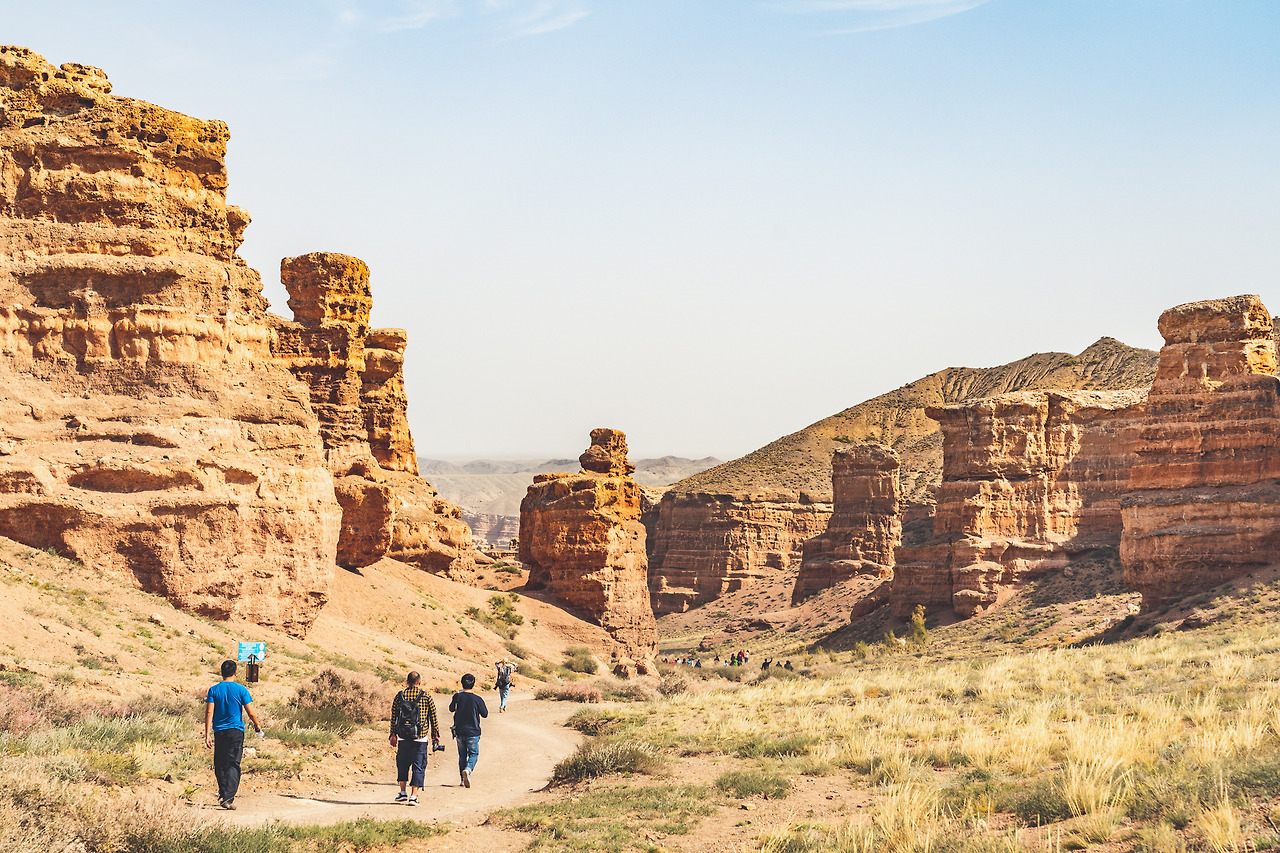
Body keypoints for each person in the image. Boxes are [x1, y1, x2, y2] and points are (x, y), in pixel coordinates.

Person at [204, 659, 262, 810]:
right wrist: (257, 725)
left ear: (221, 672)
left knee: (220, 762)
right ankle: (228, 797)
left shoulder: (213, 690)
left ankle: (224, 792)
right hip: (235, 731)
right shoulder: (241, 690)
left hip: (219, 731)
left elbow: (209, 712)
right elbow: (250, 712)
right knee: (233, 763)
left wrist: (207, 733)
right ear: (235, 673)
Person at [388, 671, 441, 806]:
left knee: (402, 764)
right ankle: (413, 796)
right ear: (419, 682)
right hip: (420, 737)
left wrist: (392, 734)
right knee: (419, 765)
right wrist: (435, 736)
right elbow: (433, 717)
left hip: (403, 736)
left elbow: (394, 717)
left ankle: (402, 792)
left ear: (407, 682)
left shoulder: (400, 696)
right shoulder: (426, 696)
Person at [449, 672, 488, 788]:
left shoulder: (457, 697)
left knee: (462, 755)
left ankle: (462, 779)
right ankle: (468, 769)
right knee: (474, 754)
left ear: (462, 683)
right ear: (473, 684)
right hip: (473, 731)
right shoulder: (477, 699)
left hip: (459, 731)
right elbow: (485, 714)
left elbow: (451, 708)